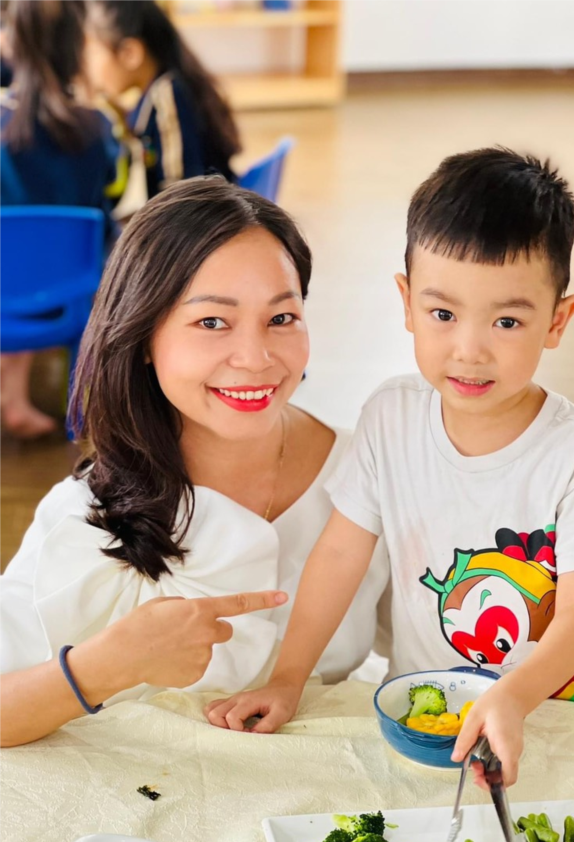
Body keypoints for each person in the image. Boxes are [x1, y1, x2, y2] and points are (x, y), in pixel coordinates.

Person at [205, 146, 574, 785]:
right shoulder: (390, 418)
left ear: (558, 321)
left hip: (564, 722)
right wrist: (287, 678)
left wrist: (511, 698)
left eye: (507, 321)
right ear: (407, 301)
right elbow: (339, 555)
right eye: (443, 314)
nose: (469, 350)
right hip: (432, 720)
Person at [0, 177, 388, 748]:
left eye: (282, 318)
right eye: (211, 322)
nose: (256, 358)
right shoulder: (86, 512)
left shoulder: (372, 469)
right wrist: (106, 665)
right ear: (143, 335)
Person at [0, 0, 120, 439]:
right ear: (77, 47)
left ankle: (13, 394)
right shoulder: (98, 125)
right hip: (72, 294)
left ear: (11, 43)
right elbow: (113, 195)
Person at [84, 0, 240, 202]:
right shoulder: (169, 87)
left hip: (205, 217)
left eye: (93, 52)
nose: (88, 65)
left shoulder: (167, 98)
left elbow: (180, 198)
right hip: (212, 210)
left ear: (130, 54)